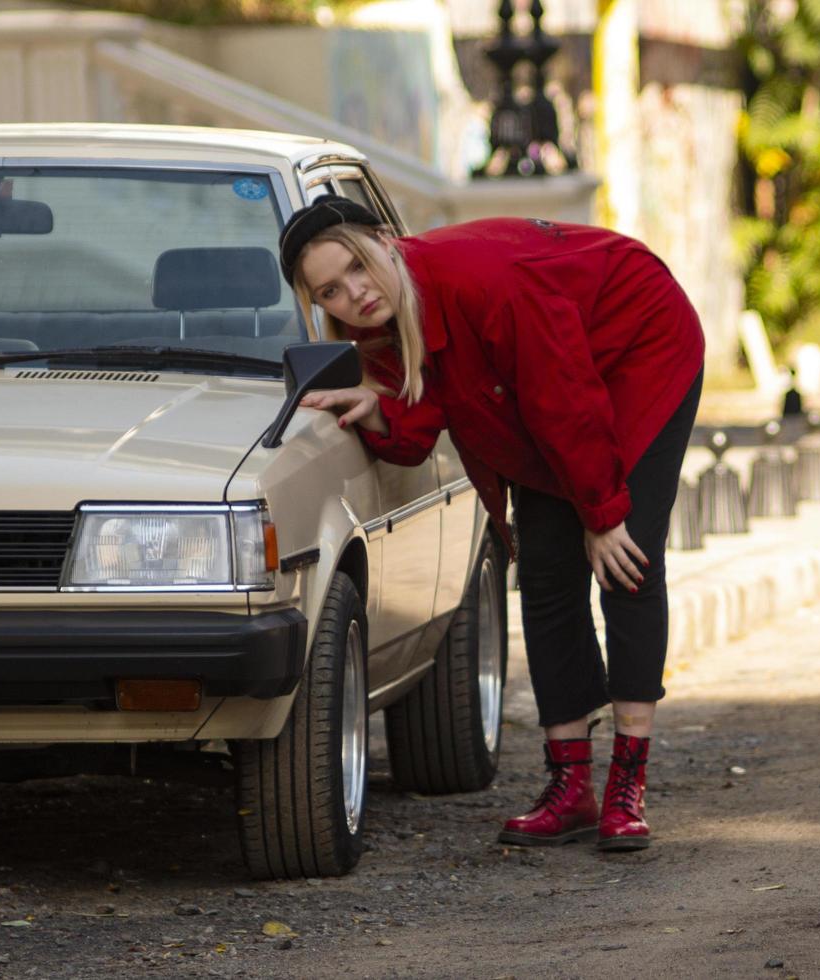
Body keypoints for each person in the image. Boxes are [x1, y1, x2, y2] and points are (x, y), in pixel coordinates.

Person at [277, 196, 704, 852]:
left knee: (624, 557)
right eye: (330, 290)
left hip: (636, 343)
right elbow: (434, 416)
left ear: (386, 240)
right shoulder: (379, 327)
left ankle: (627, 783)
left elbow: (562, 396)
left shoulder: (483, 281)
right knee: (545, 573)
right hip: (547, 396)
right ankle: (570, 789)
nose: (354, 294)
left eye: (358, 268)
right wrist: (377, 406)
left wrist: (601, 512)